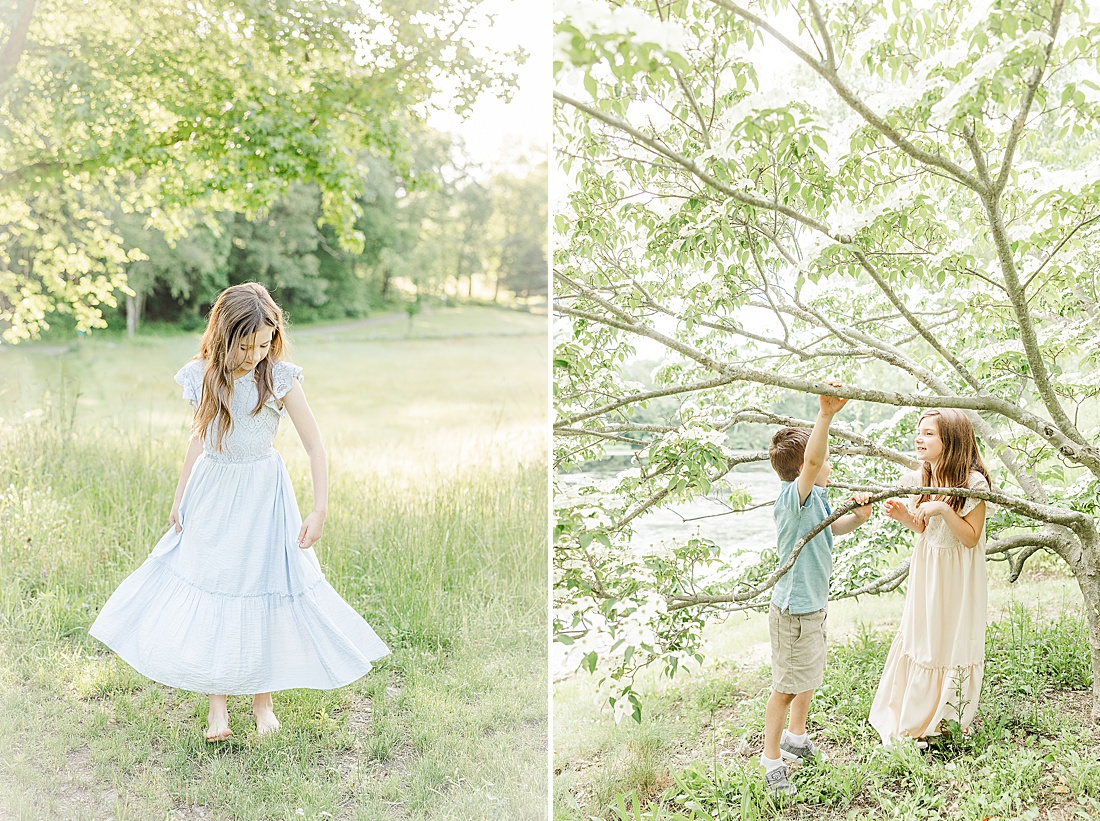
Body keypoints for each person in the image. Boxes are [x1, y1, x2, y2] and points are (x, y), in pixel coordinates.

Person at [90, 282, 390, 742]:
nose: (255, 354)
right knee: (217, 584)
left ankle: (262, 700)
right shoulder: (202, 375)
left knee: (261, 585)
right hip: (213, 492)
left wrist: (320, 508)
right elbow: (199, 438)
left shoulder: (280, 377)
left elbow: (315, 445)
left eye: (265, 343)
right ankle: (217, 705)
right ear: (224, 334)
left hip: (263, 495)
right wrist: (180, 494)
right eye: (246, 345)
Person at [762, 386, 872, 797]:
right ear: (804, 469)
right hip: (793, 610)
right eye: (823, 459)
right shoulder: (794, 499)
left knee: (808, 677)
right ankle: (771, 759)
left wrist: (858, 517)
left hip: (813, 607)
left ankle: (796, 737)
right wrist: (824, 416)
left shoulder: (819, 499)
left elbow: (831, 530)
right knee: (787, 686)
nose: (828, 464)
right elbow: (811, 458)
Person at [869, 408, 990, 746]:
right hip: (928, 567)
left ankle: (948, 719)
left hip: (959, 574)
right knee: (924, 635)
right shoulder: (923, 475)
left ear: (950, 440)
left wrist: (943, 508)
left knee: (952, 637)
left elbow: (969, 537)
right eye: (919, 432)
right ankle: (916, 713)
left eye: (928, 434)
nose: (919, 439)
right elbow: (923, 528)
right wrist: (904, 516)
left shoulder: (973, 482)